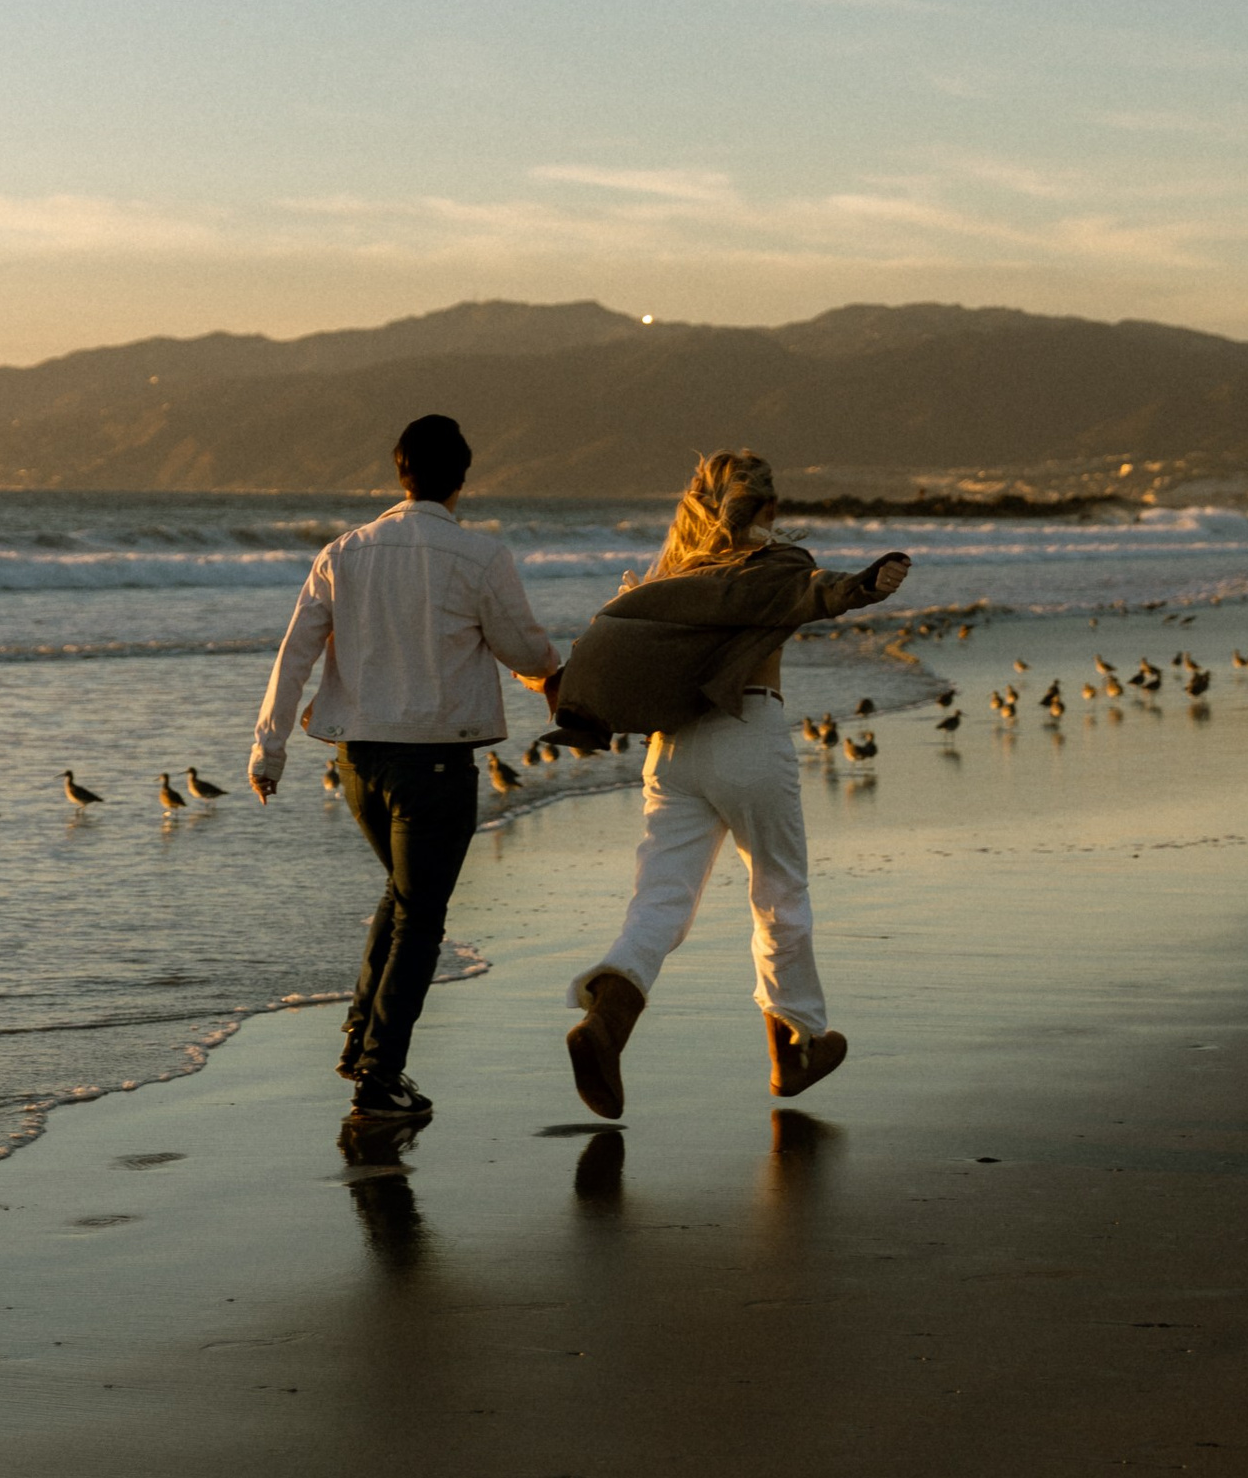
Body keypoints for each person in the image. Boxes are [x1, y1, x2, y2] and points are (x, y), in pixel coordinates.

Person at [560, 449, 909, 1120]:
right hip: (746, 732)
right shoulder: (777, 564)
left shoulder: (672, 575)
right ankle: (795, 1048)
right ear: (770, 507)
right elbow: (813, 593)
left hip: (671, 750)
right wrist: (862, 586)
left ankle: (606, 1022)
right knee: (779, 892)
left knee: (658, 902)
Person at [250, 412, 563, 1126]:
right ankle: (380, 1077)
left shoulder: (343, 552)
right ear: (461, 479)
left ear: (401, 472)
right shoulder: (479, 558)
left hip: (357, 760)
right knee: (422, 914)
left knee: (404, 892)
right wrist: (554, 676)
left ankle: (364, 1036)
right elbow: (524, 648)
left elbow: (294, 653)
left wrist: (268, 750)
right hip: (437, 762)